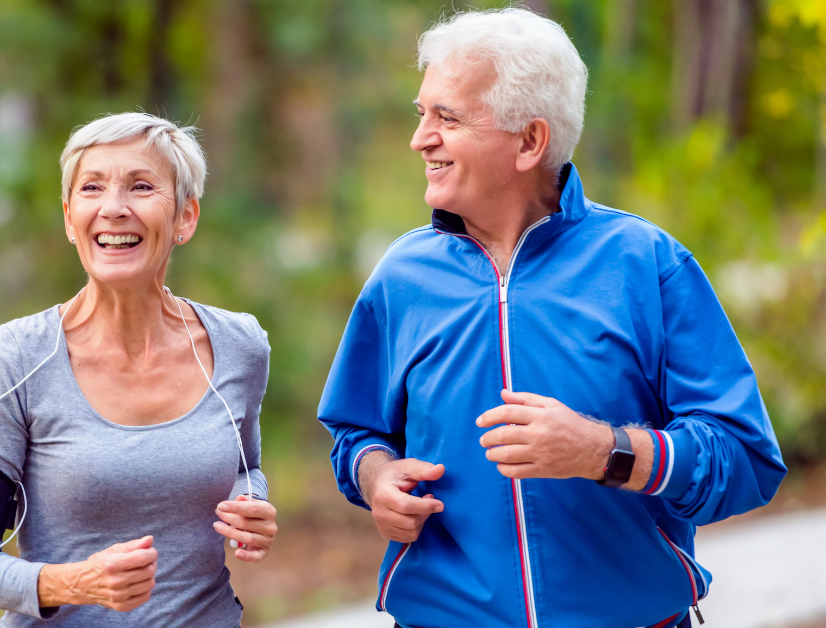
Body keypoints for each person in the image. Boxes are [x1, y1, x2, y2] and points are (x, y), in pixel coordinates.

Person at [317, 8, 785, 628]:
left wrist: (605, 451)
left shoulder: (647, 265)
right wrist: (376, 479)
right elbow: (355, 433)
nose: (420, 137)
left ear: (529, 141)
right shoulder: (401, 278)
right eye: (421, 113)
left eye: (446, 117)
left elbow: (745, 459)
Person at [0, 112, 278, 627]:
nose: (114, 209)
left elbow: (244, 466)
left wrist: (250, 503)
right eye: (92, 188)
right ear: (69, 217)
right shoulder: (21, 355)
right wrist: (74, 582)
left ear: (186, 217)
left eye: (141, 186)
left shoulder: (239, 345)